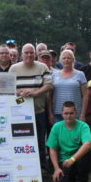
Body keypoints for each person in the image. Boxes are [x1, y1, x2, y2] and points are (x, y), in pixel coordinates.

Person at [10, 43, 53, 173]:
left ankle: (42, 168)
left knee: (40, 141)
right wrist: (18, 93)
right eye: (26, 52)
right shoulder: (13, 68)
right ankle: (22, 169)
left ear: (35, 54)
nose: (29, 55)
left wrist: (35, 93)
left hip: (38, 111)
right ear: (21, 54)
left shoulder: (42, 67)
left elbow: (49, 85)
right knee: (20, 142)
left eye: (31, 52)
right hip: (19, 114)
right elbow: (8, 88)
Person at [47, 101, 91, 182]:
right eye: (66, 113)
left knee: (86, 152)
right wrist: (56, 168)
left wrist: (72, 159)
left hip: (79, 159)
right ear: (62, 114)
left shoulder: (83, 126)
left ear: (76, 113)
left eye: (71, 113)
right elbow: (52, 149)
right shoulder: (56, 127)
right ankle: (74, 178)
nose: (69, 116)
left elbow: (87, 144)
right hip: (65, 162)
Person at [50, 50, 87, 123]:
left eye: (69, 58)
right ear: (60, 60)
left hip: (75, 113)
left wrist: (83, 114)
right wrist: (50, 113)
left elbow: (85, 95)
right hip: (58, 113)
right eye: (64, 58)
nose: (66, 60)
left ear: (73, 60)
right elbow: (50, 96)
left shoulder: (80, 74)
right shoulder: (54, 75)